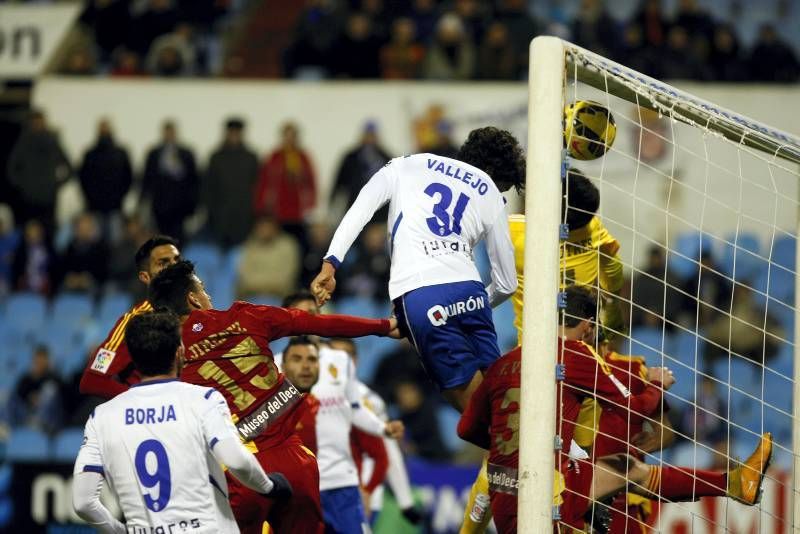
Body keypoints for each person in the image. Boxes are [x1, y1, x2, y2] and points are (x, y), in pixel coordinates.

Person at [457, 286, 774, 533]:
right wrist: (657, 385)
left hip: (511, 482)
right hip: (546, 491)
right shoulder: (578, 355)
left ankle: (733, 483)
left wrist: (510, 444)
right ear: (588, 326)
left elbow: (466, 429)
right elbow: (639, 410)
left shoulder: (504, 362)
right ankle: (732, 484)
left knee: (628, 468)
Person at [147, 260, 400, 534]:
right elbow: (319, 324)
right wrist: (383, 325)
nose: (209, 296)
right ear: (193, 299)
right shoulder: (245, 315)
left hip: (238, 472)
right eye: (204, 290)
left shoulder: (172, 352)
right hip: (295, 465)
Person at [312, 126, 524, 413]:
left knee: (478, 415)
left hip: (422, 294)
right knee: (500, 398)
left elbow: (360, 210)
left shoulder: (407, 163)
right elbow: (507, 283)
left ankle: (532, 454)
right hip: (472, 293)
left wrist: (331, 263)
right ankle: (560, 449)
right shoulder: (488, 189)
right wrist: (469, 302)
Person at [72, 311, 291, 533]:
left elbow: (83, 502)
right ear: (179, 352)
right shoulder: (204, 399)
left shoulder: (102, 417)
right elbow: (236, 460)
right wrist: (269, 486)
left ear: (134, 358)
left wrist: (121, 531)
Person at [282, 335, 402, 533]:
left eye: (312, 360)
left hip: (342, 487)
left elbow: (379, 453)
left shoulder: (343, 402)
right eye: (297, 359)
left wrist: (367, 490)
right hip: (299, 492)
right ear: (283, 366)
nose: (305, 366)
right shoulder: (275, 408)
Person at [329, 337, 421, 526]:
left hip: (361, 494)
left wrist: (405, 502)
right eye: (334, 356)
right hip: (322, 490)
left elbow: (388, 451)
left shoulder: (370, 403)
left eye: (346, 356)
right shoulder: (311, 395)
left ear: (355, 361)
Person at [79, 235, 181, 398]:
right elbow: (92, 379)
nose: (175, 267)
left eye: (177, 260)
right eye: (163, 263)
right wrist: (141, 402)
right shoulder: (134, 323)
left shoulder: (198, 314)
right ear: (145, 277)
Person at [6, 110, 71, 236]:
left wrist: (56, 185)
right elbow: (11, 169)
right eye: (35, 122)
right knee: (29, 232)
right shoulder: (24, 142)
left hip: (48, 198)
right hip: (29, 199)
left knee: (49, 232)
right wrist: (24, 185)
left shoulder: (52, 142)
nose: (38, 125)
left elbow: (69, 167)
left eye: (40, 122)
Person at [253, 122, 317, 246]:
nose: (290, 139)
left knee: (299, 245)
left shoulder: (303, 157)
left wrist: (311, 205)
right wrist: (261, 207)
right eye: (287, 136)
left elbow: (311, 183)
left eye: (292, 136)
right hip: (278, 210)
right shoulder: (274, 156)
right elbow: (264, 182)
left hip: (299, 211)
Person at [202, 118, 260, 248]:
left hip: (244, 213)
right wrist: (209, 210)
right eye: (231, 133)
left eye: (237, 133)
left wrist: (254, 211)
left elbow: (257, 185)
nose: (234, 136)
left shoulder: (250, 157)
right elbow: (208, 186)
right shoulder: (216, 157)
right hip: (220, 214)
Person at [141, 120, 199, 242]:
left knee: (179, 240)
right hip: (160, 206)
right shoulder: (155, 154)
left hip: (180, 207)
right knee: (160, 240)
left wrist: (193, 205)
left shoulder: (185, 154)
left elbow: (193, 180)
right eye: (167, 132)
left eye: (171, 132)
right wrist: (144, 201)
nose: (169, 135)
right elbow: (147, 179)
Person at [78, 118, 133, 228]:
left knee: (114, 241)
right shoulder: (90, 154)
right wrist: (90, 197)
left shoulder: (121, 153)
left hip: (115, 206)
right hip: (95, 206)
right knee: (95, 241)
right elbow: (83, 178)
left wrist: (120, 196)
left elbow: (128, 177)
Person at [236, 215, 301, 300]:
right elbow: (245, 278)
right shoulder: (248, 246)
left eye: (268, 227)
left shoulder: (288, 246)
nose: (265, 230)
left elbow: (285, 279)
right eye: (262, 227)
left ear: (275, 228)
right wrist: (266, 286)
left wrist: (261, 285)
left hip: (280, 298)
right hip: (252, 297)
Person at [11, 345, 65, 434]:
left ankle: (37, 423)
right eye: (37, 360)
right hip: (27, 413)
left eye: (42, 360)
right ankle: (5, 426)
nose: (39, 363)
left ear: (47, 361)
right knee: (9, 397)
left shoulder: (54, 377)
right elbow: (19, 393)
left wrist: (40, 397)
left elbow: (60, 396)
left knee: (49, 389)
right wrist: (29, 396)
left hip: (48, 418)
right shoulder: (26, 378)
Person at [58, 212, 110, 294]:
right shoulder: (69, 248)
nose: (84, 231)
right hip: (72, 284)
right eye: (81, 228)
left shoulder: (99, 248)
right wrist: (70, 278)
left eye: (87, 228)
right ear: (76, 230)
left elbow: (103, 272)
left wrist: (88, 278)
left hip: (92, 285)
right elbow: (62, 269)